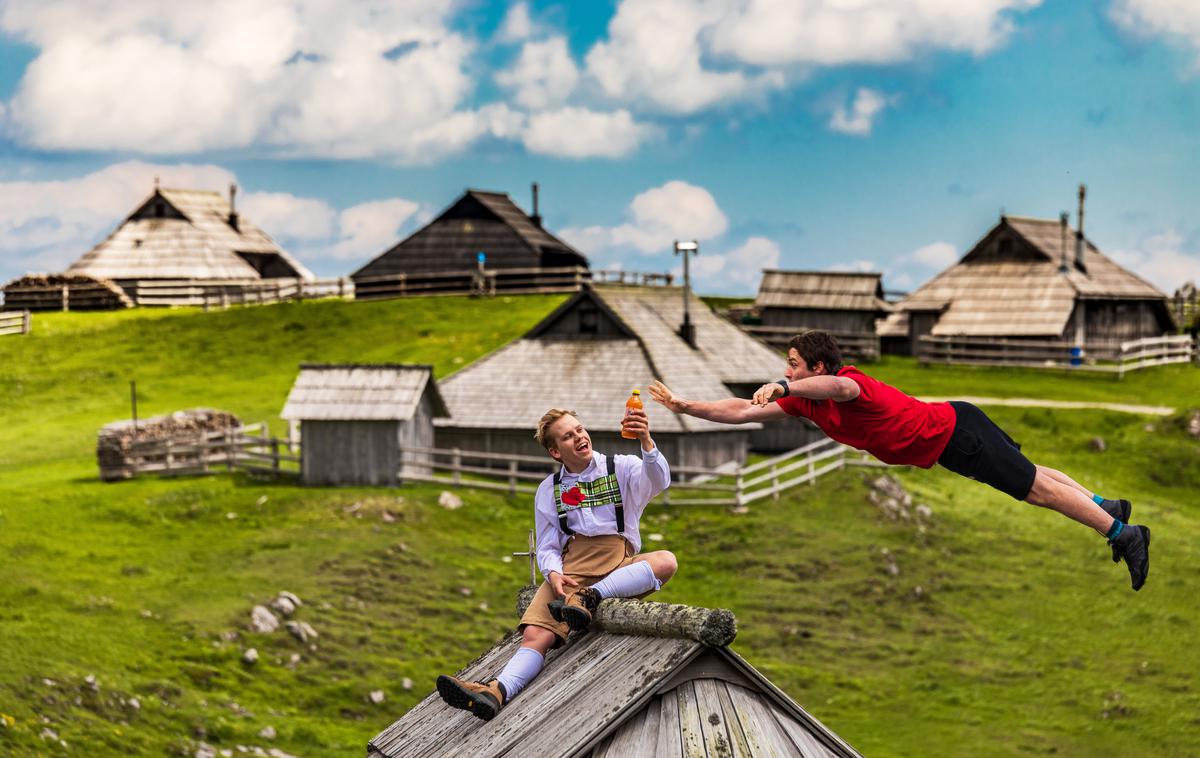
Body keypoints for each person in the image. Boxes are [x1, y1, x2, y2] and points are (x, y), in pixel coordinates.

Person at [648, 329, 1150, 592]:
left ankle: (1121, 534)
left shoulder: (847, 384)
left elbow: (838, 385)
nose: (787, 372)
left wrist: (784, 385)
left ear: (816, 367)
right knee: (1035, 475)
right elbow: (739, 411)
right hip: (956, 430)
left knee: (1036, 491)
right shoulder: (806, 401)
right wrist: (685, 406)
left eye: (795, 365)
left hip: (957, 436)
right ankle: (1111, 507)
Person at [436, 405, 676, 720]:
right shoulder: (549, 490)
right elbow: (548, 545)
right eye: (568, 436)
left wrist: (645, 440)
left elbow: (660, 481)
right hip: (571, 569)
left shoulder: (622, 467)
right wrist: (554, 573)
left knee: (666, 562)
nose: (579, 437)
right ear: (555, 451)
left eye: (579, 429)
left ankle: (593, 596)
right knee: (536, 636)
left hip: (618, 561)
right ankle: (496, 691)